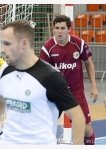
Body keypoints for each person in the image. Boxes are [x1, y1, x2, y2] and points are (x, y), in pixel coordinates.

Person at [0, 20, 85, 145]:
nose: (2, 49)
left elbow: (78, 117)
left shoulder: (50, 76)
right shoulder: (5, 69)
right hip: (7, 142)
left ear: (23, 44)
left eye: (7, 44)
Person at [38, 15, 98, 145]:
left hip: (76, 93)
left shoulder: (78, 43)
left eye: (63, 28)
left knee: (86, 129)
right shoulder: (48, 47)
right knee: (45, 129)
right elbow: (42, 72)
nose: (59, 31)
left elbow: (89, 63)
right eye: (57, 28)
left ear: (69, 29)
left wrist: (93, 85)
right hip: (55, 94)